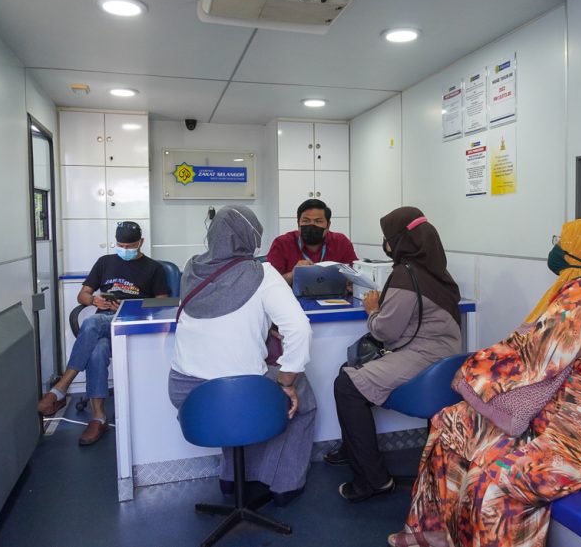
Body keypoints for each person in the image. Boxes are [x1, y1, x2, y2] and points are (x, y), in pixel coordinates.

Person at [387, 218, 581, 547]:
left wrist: (474, 370)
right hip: (551, 413)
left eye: (561, 241)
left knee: (495, 482)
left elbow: (538, 354)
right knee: (449, 425)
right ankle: (436, 532)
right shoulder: (579, 286)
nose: (556, 248)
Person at [169, 205, 316, 506]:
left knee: (231, 401)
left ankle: (232, 478)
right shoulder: (262, 273)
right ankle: (284, 485)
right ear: (251, 239)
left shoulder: (191, 268)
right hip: (240, 393)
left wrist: (261, 324)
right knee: (300, 399)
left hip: (188, 394)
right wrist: (287, 382)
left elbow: (219, 310)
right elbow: (300, 330)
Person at [326, 206, 462, 503]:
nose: (386, 244)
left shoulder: (405, 275)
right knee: (348, 370)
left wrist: (373, 310)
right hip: (447, 361)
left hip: (424, 361)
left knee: (346, 386)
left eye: (388, 238)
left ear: (400, 241)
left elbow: (385, 332)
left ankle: (373, 480)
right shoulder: (436, 270)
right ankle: (352, 450)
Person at [37, 221, 169, 445]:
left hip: (130, 323)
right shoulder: (104, 262)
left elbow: (162, 304)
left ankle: (62, 387)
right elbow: (82, 295)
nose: (125, 249)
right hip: (104, 322)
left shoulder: (153, 268)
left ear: (141, 242)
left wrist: (127, 307)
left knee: (91, 323)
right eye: (121, 245)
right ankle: (98, 418)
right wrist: (94, 300)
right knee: (97, 349)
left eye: (130, 246)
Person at [267, 198, 357, 284]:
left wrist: (351, 283)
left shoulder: (341, 242)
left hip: (335, 294)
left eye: (318, 221)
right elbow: (268, 283)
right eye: (306, 221)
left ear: (328, 225)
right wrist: (293, 274)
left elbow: (355, 276)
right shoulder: (281, 244)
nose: (312, 225)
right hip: (293, 295)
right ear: (298, 223)